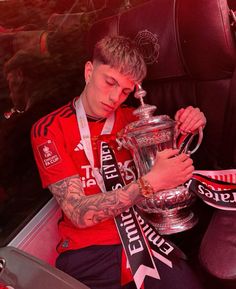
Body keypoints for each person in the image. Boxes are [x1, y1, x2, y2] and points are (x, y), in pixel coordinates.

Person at [31, 35, 207, 289]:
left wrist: (191, 121)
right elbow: (78, 212)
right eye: (109, 82)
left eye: (125, 90)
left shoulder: (135, 122)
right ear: (89, 71)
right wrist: (149, 183)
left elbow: (173, 145)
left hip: (145, 237)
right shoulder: (49, 129)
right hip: (87, 252)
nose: (115, 97)